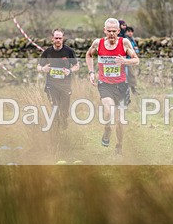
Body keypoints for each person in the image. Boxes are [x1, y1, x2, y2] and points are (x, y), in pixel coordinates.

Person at [85, 18, 140, 155]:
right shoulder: (98, 43)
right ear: (104, 30)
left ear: (119, 31)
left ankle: (119, 146)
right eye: (108, 31)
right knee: (109, 111)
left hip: (121, 85)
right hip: (105, 84)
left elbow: (136, 60)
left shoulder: (125, 43)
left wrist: (125, 61)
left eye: (114, 31)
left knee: (120, 120)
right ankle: (107, 129)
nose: (111, 34)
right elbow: (88, 55)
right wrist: (91, 72)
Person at [38, 28, 79, 129]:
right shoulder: (47, 52)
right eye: (56, 38)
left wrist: (70, 70)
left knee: (64, 110)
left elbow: (77, 66)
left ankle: (64, 119)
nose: (58, 40)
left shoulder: (69, 51)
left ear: (63, 39)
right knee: (54, 106)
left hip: (65, 86)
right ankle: (55, 129)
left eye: (60, 38)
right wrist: (43, 68)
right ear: (52, 38)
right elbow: (38, 66)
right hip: (51, 85)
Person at [124, 26, 140, 95]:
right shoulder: (125, 40)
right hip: (126, 60)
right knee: (127, 76)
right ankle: (131, 91)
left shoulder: (132, 40)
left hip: (132, 60)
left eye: (131, 31)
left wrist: (135, 50)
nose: (130, 33)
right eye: (128, 31)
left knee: (131, 76)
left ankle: (133, 91)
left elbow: (136, 50)